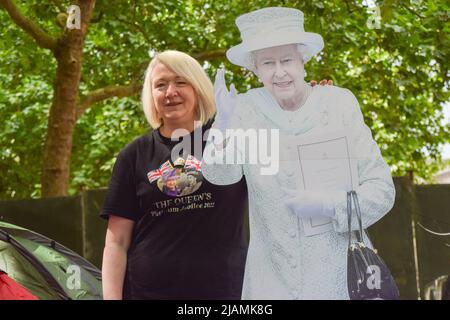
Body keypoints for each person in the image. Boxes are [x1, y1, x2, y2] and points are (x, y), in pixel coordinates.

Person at [202, 7, 396, 299]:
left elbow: (383, 191)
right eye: (268, 63)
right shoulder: (244, 110)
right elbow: (220, 175)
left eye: (287, 60)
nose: (279, 72)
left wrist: (332, 205)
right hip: (270, 283)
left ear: (303, 58)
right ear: (255, 68)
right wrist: (222, 126)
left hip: (339, 280)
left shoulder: (339, 104)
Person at [100, 50, 249, 300]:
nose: (170, 92)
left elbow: (293, 152)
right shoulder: (134, 155)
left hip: (227, 293)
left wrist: (313, 100)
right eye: (160, 85)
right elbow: (116, 243)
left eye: (181, 82)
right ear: (152, 95)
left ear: (198, 88)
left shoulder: (231, 140)